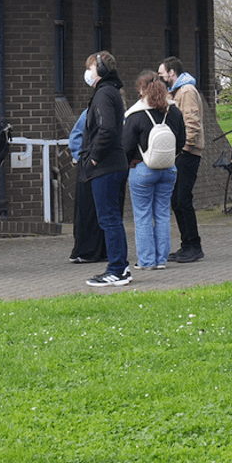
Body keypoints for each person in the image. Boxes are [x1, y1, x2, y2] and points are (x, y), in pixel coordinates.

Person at [79, 52, 133, 288]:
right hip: (115, 164)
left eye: (91, 68)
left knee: (109, 219)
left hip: (106, 167)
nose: (88, 73)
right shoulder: (112, 92)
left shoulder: (103, 94)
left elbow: (107, 129)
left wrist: (93, 159)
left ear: (100, 69)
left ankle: (117, 269)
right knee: (112, 219)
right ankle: (120, 266)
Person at [124, 70, 186, 271]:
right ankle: (161, 260)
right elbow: (182, 141)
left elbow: (126, 146)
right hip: (169, 169)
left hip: (142, 168)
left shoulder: (136, 114)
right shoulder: (174, 112)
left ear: (142, 90)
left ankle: (146, 261)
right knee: (162, 214)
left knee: (142, 215)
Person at [160, 57, 205, 264]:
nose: (161, 77)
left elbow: (191, 122)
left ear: (171, 72)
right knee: (177, 201)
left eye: (162, 74)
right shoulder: (177, 92)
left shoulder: (186, 91)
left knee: (182, 200)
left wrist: (184, 149)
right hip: (181, 153)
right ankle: (187, 245)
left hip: (187, 154)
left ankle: (193, 246)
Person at [66, 102, 106, 265]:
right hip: (91, 169)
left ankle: (97, 250)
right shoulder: (89, 114)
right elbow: (75, 137)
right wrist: (84, 160)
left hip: (98, 169)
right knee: (88, 210)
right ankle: (87, 250)